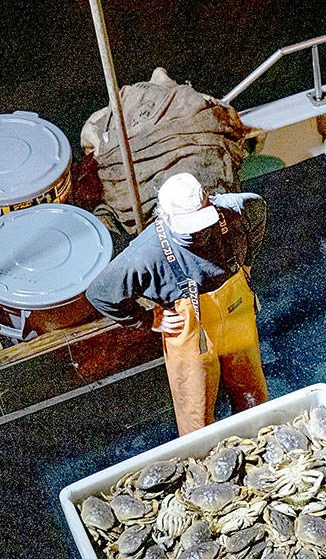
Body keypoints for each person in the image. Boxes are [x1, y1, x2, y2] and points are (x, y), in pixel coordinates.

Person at [85, 173, 269, 436]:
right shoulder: (145, 254)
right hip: (189, 327)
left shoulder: (237, 209)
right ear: (166, 218)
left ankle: (259, 441)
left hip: (235, 310)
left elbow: (258, 212)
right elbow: (100, 293)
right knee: (196, 412)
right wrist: (148, 320)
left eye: (202, 221)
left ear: (209, 201)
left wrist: (246, 262)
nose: (198, 233)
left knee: (253, 394)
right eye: (189, 227)